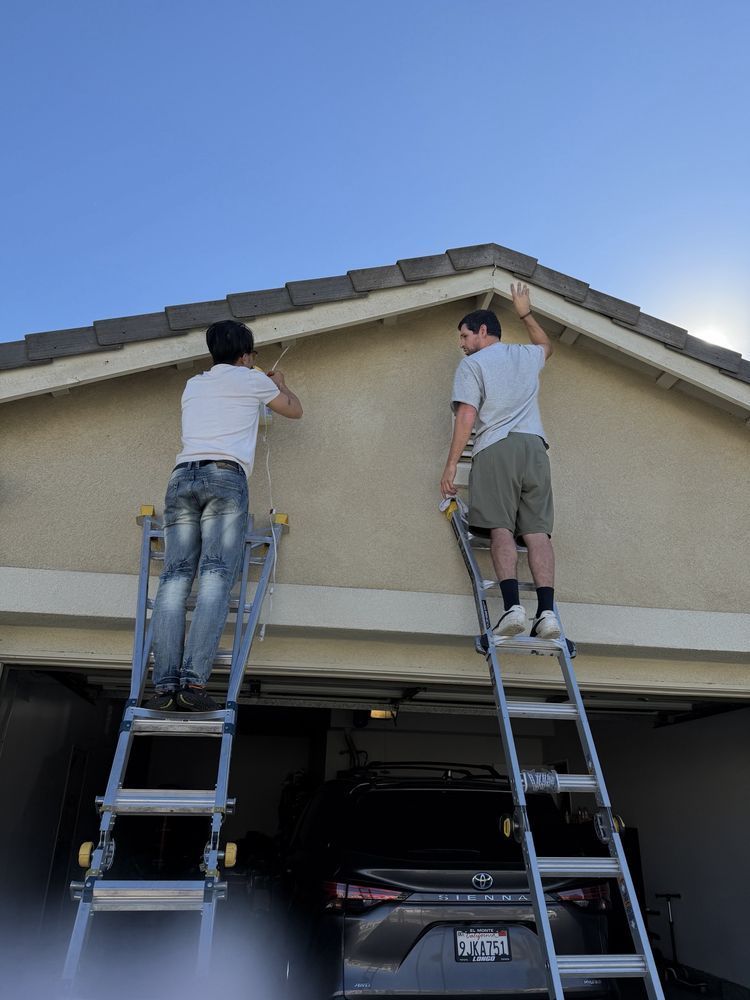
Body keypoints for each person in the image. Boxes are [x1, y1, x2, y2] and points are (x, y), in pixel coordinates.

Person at [146, 319, 303, 712]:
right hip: (224, 476)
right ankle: (192, 684)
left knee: (175, 577)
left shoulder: (195, 384)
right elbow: (295, 410)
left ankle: (164, 685)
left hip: (181, 477)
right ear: (246, 355)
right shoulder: (252, 380)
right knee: (216, 574)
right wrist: (279, 382)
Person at [440, 284, 561, 640]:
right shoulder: (525, 355)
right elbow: (547, 347)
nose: (461, 344)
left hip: (496, 447)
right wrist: (525, 313)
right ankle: (548, 614)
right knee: (537, 533)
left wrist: (449, 466)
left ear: (481, 331)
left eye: (464, 335)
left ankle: (512, 607)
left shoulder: (473, 364)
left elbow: (466, 415)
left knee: (500, 529)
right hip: (536, 448)